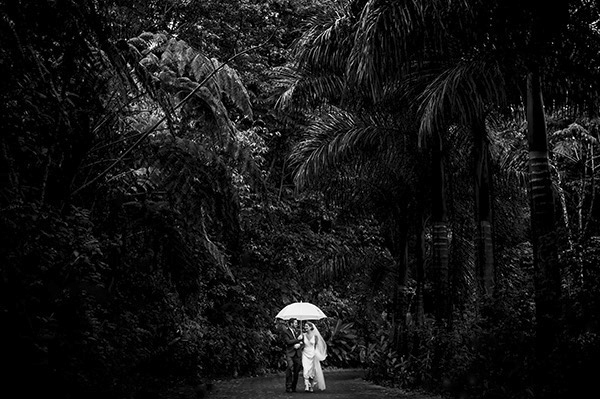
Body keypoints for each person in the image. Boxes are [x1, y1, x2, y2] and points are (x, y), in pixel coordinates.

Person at [301, 321, 327, 392]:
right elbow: (301, 344)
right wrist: (299, 339)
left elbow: (316, 346)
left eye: (307, 326)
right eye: (305, 326)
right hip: (305, 354)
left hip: (312, 354)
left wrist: (316, 354)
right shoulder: (303, 335)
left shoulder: (315, 336)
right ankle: (306, 385)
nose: (305, 327)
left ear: (311, 327)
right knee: (306, 369)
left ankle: (311, 386)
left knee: (312, 371)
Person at [282, 318, 304, 393]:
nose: (297, 324)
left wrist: (300, 344)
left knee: (296, 371)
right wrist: (297, 340)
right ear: (291, 324)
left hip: (297, 354)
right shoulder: (285, 331)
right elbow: (288, 342)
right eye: (295, 323)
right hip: (290, 353)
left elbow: (303, 342)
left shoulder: (299, 331)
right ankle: (288, 387)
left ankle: (294, 387)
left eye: (297, 323)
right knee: (290, 368)